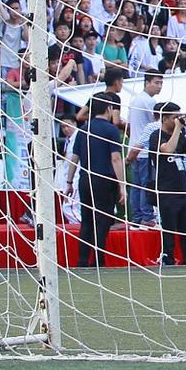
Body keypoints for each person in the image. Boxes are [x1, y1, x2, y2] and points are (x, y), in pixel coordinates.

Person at [65, 91, 126, 267]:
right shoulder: (111, 130)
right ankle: (99, 260)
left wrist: (69, 182)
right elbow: (116, 158)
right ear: (109, 108)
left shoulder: (84, 130)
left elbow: (74, 158)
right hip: (104, 179)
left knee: (87, 220)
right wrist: (122, 185)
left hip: (85, 179)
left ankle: (83, 259)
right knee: (103, 220)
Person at [151, 102, 186, 266]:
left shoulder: (182, 134)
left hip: (182, 189)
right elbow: (167, 150)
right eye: (175, 117)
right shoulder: (156, 135)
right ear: (164, 119)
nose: (179, 120)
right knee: (169, 230)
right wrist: (178, 128)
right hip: (166, 190)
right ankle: (168, 260)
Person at [124, 71, 164, 226]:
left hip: (134, 147)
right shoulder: (149, 102)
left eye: (161, 83)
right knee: (146, 185)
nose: (159, 86)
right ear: (147, 83)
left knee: (136, 185)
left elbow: (128, 126)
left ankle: (137, 217)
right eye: (156, 82)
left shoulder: (135, 100)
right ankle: (147, 216)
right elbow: (157, 125)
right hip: (145, 150)